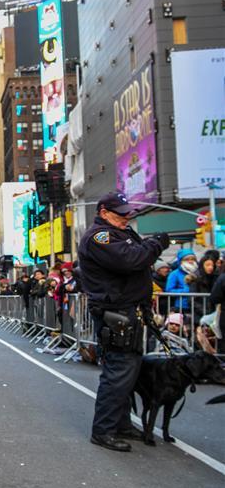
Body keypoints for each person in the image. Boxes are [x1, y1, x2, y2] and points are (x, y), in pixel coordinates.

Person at [78, 192, 168, 452]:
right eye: (120, 213)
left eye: (127, 212)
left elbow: (135, 259)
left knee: (129, 371)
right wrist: (156, 244)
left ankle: (121, 424)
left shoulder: (118, 232)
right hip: (115, 312)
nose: (126, 217)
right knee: (118, 372)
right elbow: (132, 260)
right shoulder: (100, 236)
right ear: (103, 212)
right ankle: (104, 429)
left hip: (128, 310)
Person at [165, 248, 197, 313]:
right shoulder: (174, 274)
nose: (190, 261)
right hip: (182, 306)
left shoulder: (198, 272)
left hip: (197, 305)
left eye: (192, 259)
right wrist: (185, 291)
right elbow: (169, 290)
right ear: (180, 261)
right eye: (187, 259)